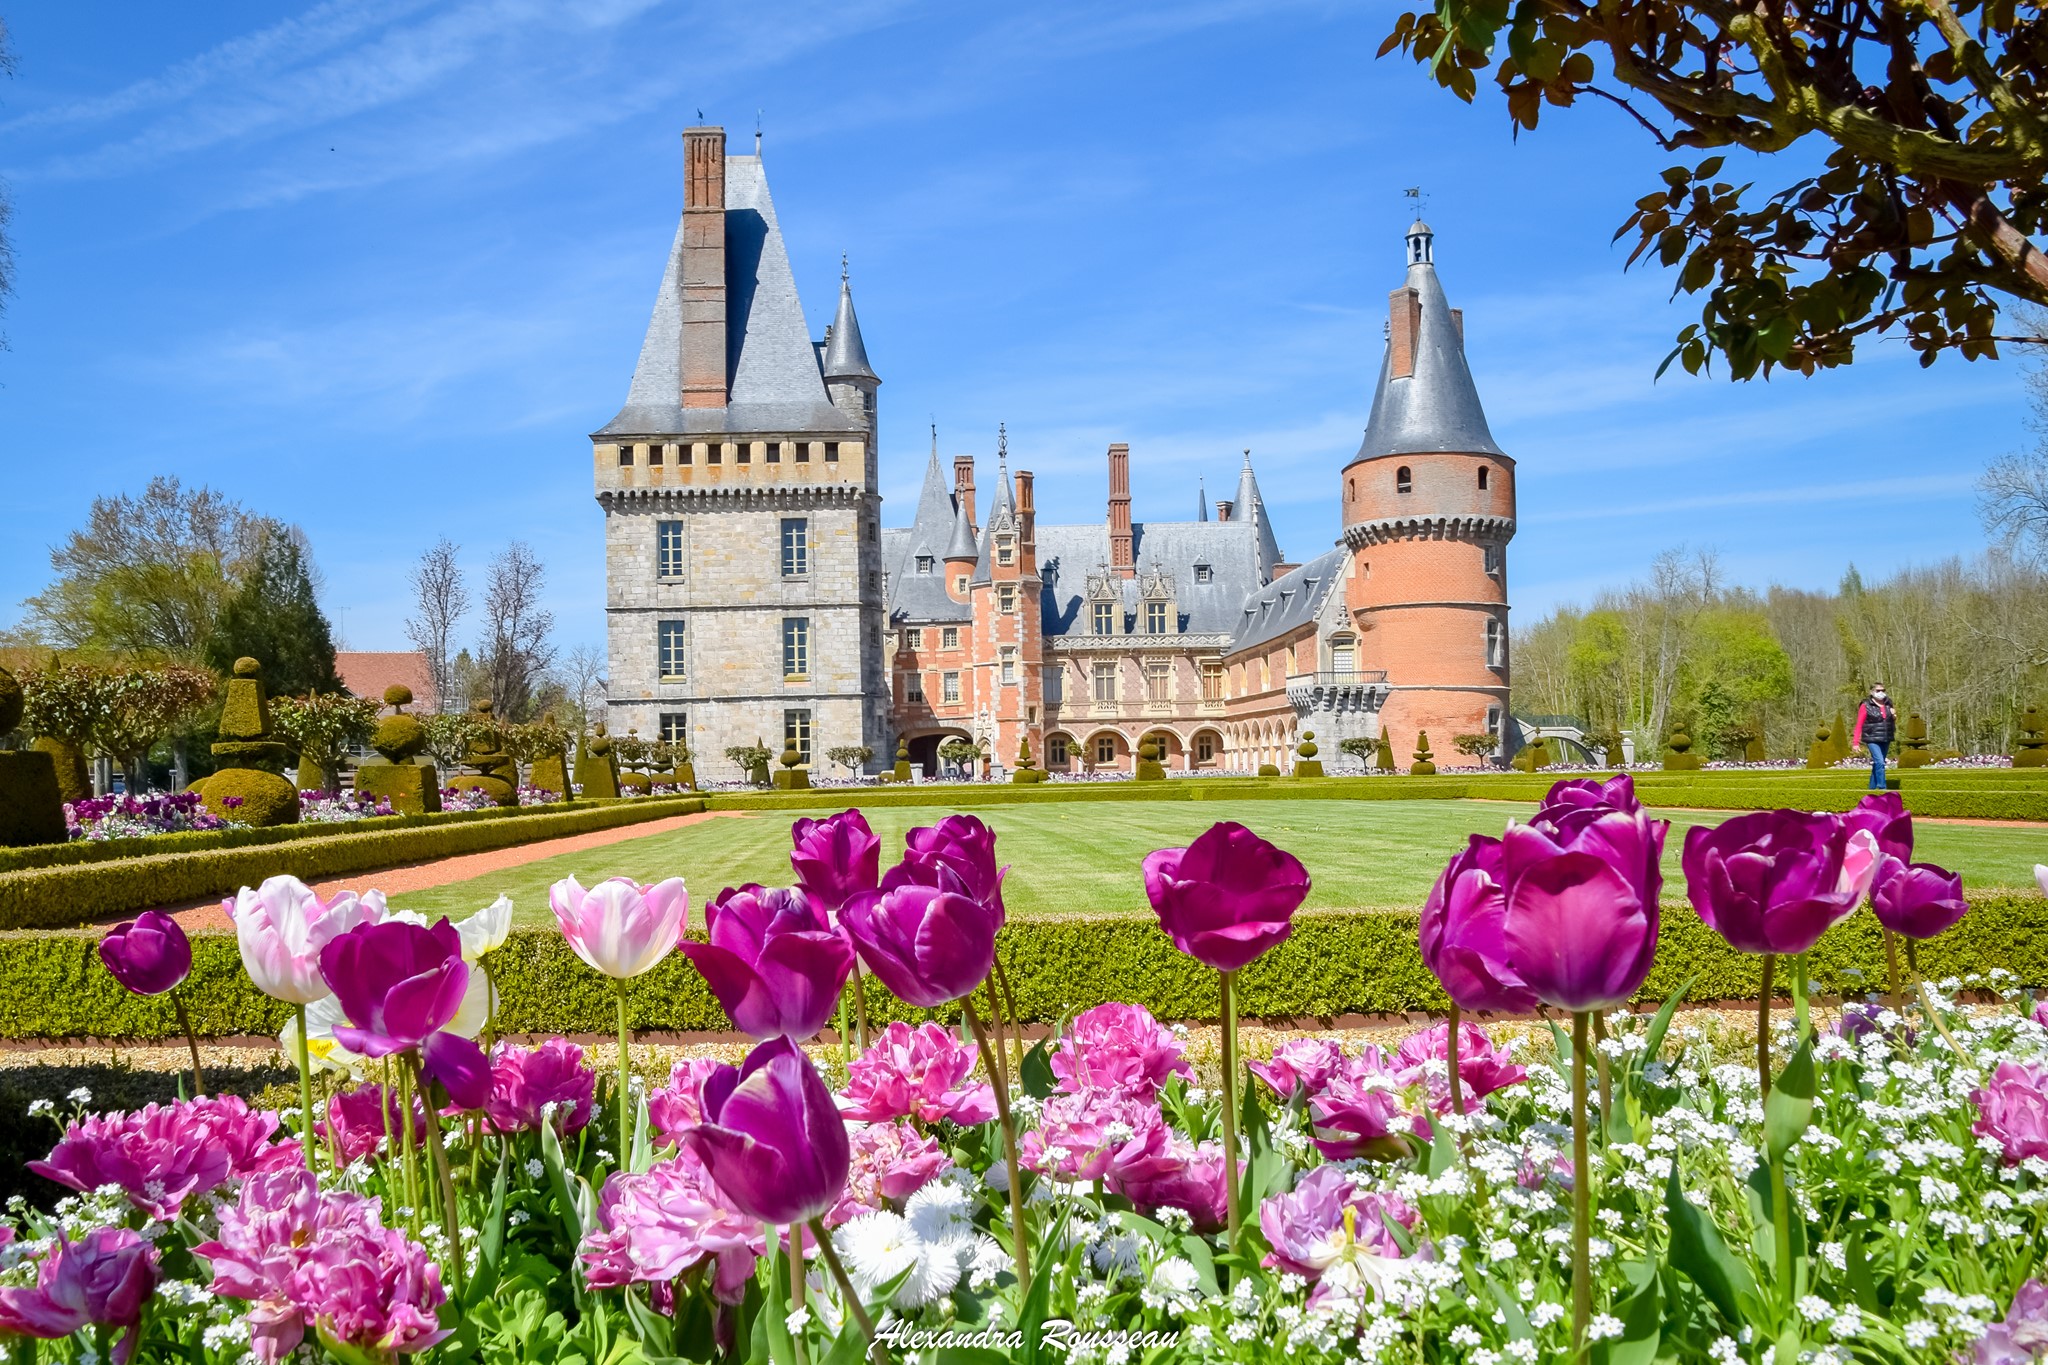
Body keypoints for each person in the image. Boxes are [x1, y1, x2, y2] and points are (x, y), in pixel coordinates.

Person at [1852, 683, 1897, 791]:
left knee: (1878, 763)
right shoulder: (1866, 705)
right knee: (1880, 762)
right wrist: (1855, 742)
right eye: (1878, 690)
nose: (1881, 692)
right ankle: (1882, 788)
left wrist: (1894, 716)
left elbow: (1890, 721)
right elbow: (1859, 724)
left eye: (1883, 690)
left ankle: (1871, 788)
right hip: (1872, 737)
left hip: (1885, 737)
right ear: (1872, 692)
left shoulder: (1888, 703)